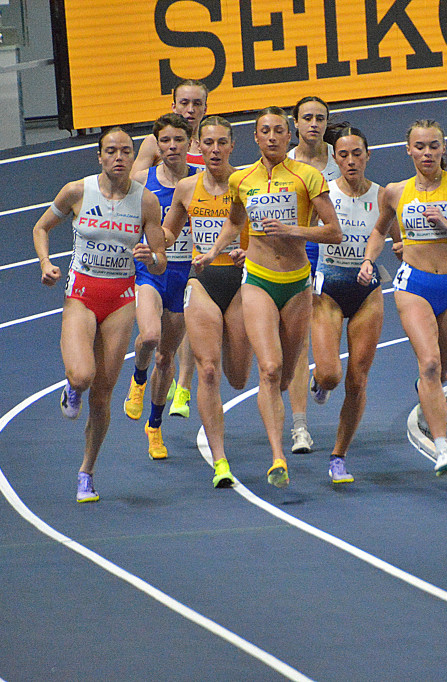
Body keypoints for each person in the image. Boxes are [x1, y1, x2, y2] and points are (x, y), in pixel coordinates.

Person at [194, 106, 341, 488]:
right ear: (256, 138)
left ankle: (283, 432)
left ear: (289, 136)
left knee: (288, 370)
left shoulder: (307, 176)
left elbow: (334, 231)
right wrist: (214, 252)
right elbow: (235, 221)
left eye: (279, 130)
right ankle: (278, 456)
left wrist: (294, 230)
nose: (273, 136)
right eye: (265, 131)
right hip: (257, 281)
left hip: (296, 284)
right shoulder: (242, 180)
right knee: (270, 368)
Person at [32, 126, 167, 502]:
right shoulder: (77, 191)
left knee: (103, 396)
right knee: (82, 375)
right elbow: (41, 227)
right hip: (81, 294)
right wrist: (45, 263)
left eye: (126, 150)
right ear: (100, 156)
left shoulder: (146, 202)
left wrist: (150, 258)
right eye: (111, 151)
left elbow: (160, 262)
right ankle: (71, 387)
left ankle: (86, 472)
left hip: (121, 299)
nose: (120, 157)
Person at [359, 119, 447, 476]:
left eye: (434, 146)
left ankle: (426, 390)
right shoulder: (395, 191)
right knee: (429, 363)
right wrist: (370, 259)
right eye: (420, 146)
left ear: (444, 149)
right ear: (408, 150)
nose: (427, 153)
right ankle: (442, 448)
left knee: (443, 371)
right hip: (412, 286)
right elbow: (378, 230)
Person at [161, 115, 253, 488]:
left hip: (243, 282)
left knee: (237, 377)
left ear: (232, 147)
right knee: (209, 370)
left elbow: (260, 227)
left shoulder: (246, 184)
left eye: (222, 143)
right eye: (208, 143)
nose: (215, 150)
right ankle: (220, 462)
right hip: (202, 280)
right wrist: (154, 244)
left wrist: (252, 249)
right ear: (198, 146)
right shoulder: (186, 187)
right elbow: (169, 230)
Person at [309, 126, 388, 484]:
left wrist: (385, 263)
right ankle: (318, 381)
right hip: (328, 291)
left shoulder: (384, 197)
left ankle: (338, 456)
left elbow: (397, 239)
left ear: (368, 155)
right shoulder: (323, 195)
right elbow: (304, 235)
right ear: (335, 159)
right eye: (343, 155)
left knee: (357, 380)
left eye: (357, 153)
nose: (351, 161)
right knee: (330, 374)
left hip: (367, 292)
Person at [134, 78, 211, 417]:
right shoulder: (155, 143)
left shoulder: (210, 148)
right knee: (151, 336)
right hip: (154, 261)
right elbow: (129, 192)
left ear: (206, 108)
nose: (190, 110)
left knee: (181, 338)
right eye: (184, 103)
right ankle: (139, 381)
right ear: (173, 104)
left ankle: (181, 389)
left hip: (189, 261)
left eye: (197, 104)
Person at [122, 114, 196, 460]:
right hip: (149, 269)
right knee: (149, 337)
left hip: (186, 273)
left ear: (187, 142)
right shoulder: (140, 180)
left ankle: (154, 426)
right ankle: (137, 380)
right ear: (156, 143)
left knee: (166, 357)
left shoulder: (201, 182)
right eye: (164, 141)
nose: (171, 147)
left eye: (178, 140)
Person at [285, 96, 342, 455]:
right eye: (306, 118)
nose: (313, 124)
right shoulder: (285, 163)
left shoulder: (343, 157)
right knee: (297, 343)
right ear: (295, 124)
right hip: (300, 254)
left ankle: (322, 379)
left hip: (337, 257)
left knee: (330, 366)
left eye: (319, 118)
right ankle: (300, 428)